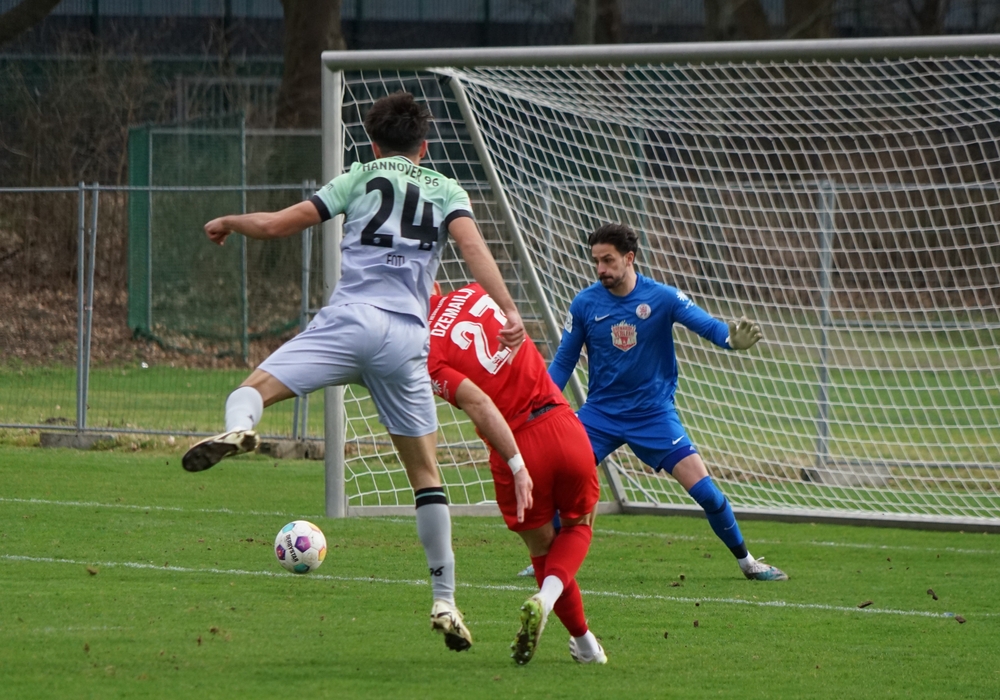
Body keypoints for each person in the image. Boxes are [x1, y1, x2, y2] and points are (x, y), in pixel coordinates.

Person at [181, 91, 526, 652]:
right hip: (407, 339)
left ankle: (240, 428)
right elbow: (473, 248)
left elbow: (277, 225)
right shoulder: (446, 190)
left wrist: (230, 221)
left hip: (350, 322)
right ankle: (444, 598)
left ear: (373, 143)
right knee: (427, 476)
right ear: (423, 147)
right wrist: (508, 310)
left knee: (251, 390)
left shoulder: (358, 177)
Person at [548, 223, 788, 582]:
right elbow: (564, 360)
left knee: (707, 493)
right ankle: (548, 558)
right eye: (596, 261)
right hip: (600, 414)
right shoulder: (585, 303)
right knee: (556, 479)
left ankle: (748, 562)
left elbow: (709, 326)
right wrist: (540, 401)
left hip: (653, 414)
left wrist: (730, 340)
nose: (600, 269)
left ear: (629, 258)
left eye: (608, 260)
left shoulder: (662, 297)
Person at [427, 283, 606, 665]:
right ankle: (584, 644)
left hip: (515, 445)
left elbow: (477, 403)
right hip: (561, 424)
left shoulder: (424, 351)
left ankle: (561, 614)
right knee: (579, 524)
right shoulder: (475, 290)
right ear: (435, 285)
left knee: (542, 549)